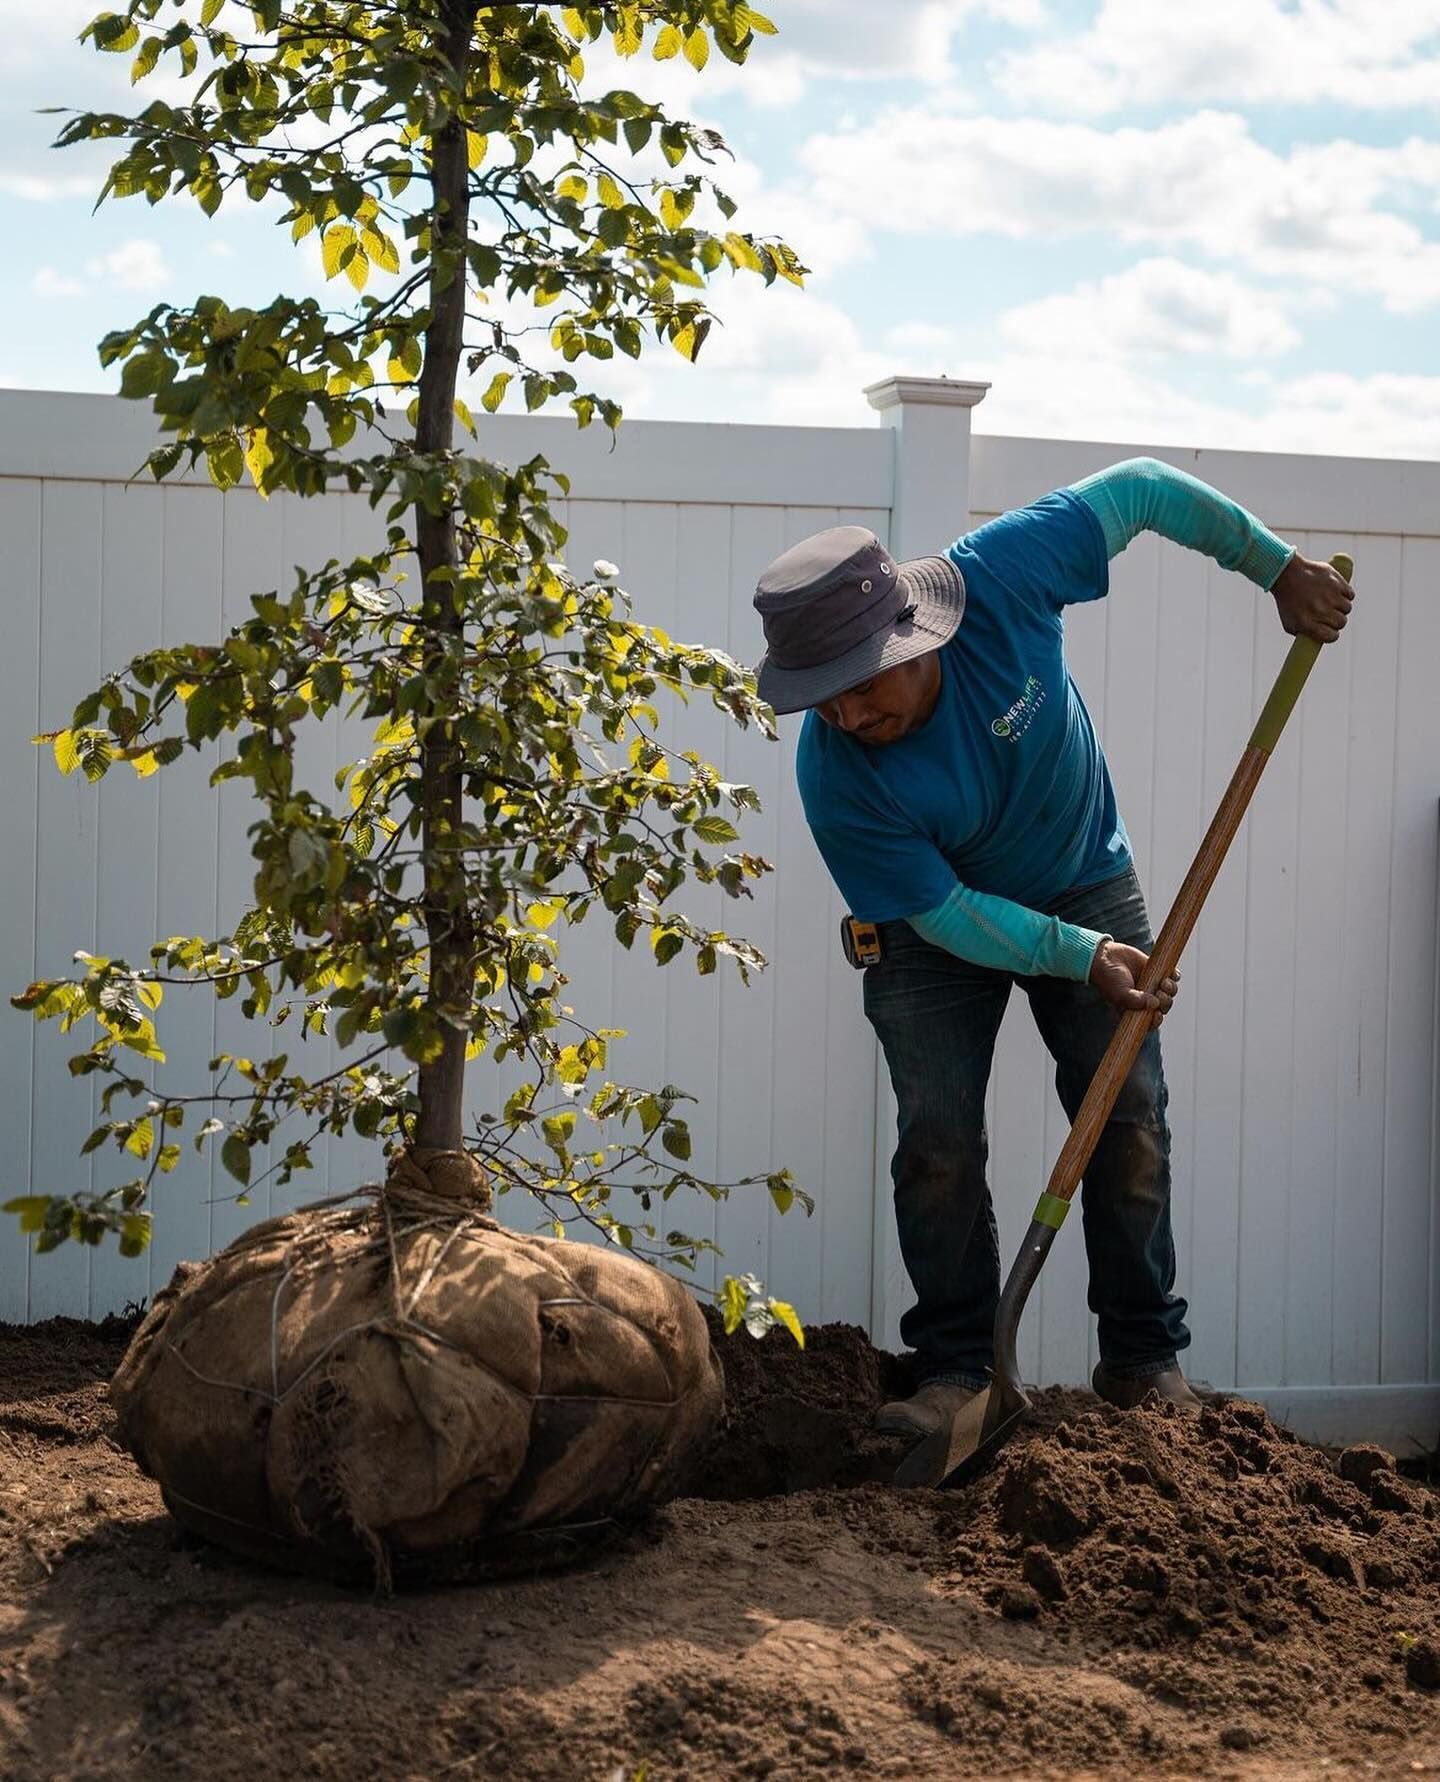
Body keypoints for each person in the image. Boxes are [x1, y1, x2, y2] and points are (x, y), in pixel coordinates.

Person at [751, 457, 1353, 1439]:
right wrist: (1076, 954)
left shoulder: (1006, 573)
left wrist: (1275, 567)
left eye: (863, 688)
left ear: (915, 632)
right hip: (933, 926)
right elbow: (945, 916)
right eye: (825, 701)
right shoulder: (835, 776)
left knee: (1130, 1118)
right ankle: (957, 1375)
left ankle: (1142, 1362)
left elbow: (1145, 491)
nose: (852, 718)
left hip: (1082, 871)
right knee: (936, 1143)